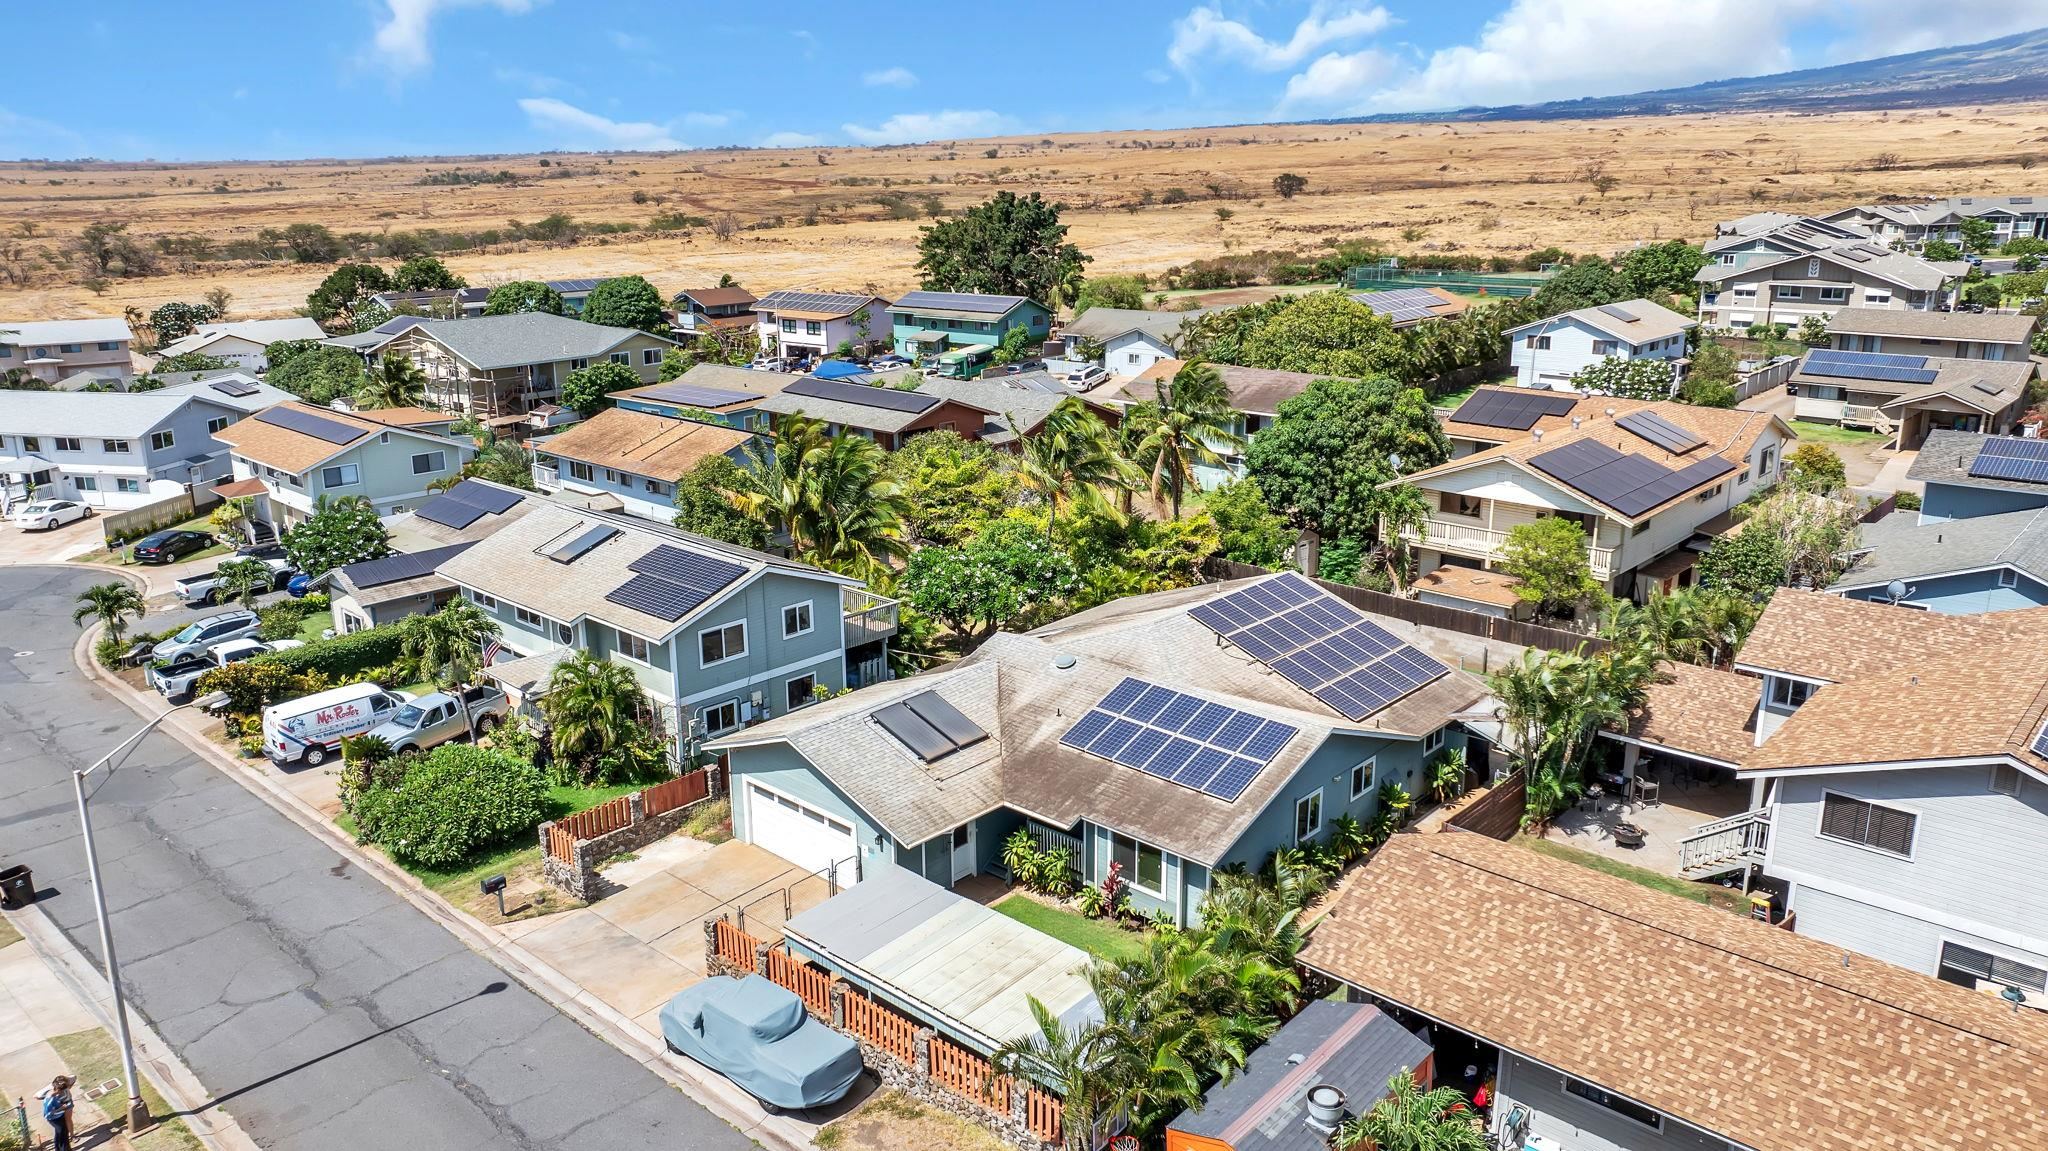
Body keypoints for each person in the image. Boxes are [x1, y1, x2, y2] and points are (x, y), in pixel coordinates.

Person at [39, 1074, 75, 1151]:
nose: (62, 1093)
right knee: (63, 1132)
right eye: (62, 1091)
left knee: (59, 1133)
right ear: (58, 1090)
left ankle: (58, 1148)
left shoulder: (54, 1094)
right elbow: (48, 1114)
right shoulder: (50, 1098)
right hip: (54, 1119)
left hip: (58, 1116)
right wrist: (61, 1108)